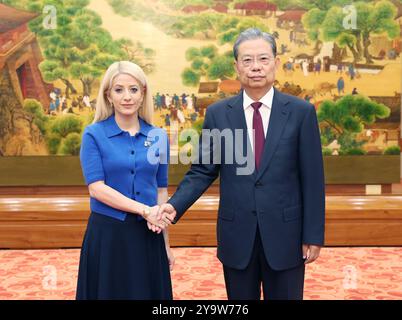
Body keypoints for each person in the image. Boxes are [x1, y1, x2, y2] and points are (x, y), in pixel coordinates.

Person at [157, 28, 325, 300]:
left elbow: (313, 178)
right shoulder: (219, 114)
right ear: (236, 67)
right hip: (237, 236)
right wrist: (173, 206)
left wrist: (313, 234)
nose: (256, 67)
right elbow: (202, 170)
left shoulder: (301, 113)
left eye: (263, 59)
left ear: (276, 63)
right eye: (247, 60)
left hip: (287, 235)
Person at [76, 61, 174, 300]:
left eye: (133, 89)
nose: (127, 97)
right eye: (119, 90)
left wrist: (165, 244)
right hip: (108, 236)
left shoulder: (158, 136)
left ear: (143, 94)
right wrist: (144, 210)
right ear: (108, 96)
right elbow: (97, 189)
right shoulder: (93, 134)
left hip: (148, 235)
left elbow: (161, 191)